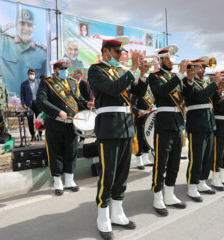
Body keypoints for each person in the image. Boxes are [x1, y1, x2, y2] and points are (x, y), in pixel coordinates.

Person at [88, 36, 149, 240]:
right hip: (109, 127)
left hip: (125, 126)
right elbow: (113, 89)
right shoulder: (95, 70)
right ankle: (102, 216)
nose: (120, 56)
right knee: (108, 174)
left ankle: (117, 211)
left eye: (122, 53)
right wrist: (132, 69)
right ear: (106, 52)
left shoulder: (122, 72)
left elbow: (138, 94)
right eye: (117, 52)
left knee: (122, 174)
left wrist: (142, 74)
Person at [36, 58, 93, 197]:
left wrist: (87, 104)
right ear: (55, 70)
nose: (65, 72)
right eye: (62, 69)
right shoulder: (47, 83)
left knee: (71, 152)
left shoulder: (73, 82)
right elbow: (41, 100)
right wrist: (58, 112)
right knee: (55, 153)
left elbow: (78, 99)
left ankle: (69, 180)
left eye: (66, 69)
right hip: (55, 124)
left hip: (71, 125)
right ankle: (57, 182)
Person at [148, 45, 188, 216]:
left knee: (174, 162)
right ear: (161, 60)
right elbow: (163, 91)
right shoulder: (154, 76)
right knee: (161, 163)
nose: (172, 61)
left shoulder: (175, 77)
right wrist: (180, 74)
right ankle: (158, 198)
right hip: (164, 123)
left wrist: (188, 77)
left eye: (173, 58)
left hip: (177, 123)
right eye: (169, 58)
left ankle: (170, 195)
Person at [182, 56, 222, 201]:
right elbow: (199, 97)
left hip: (209, 123)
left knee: (207, 156)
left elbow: (214, 103)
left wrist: (218, 89)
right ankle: (192, 186)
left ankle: (202, 182)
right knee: (196, 157)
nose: (204, 70)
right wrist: (215, 84)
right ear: (193, 68)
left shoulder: (205, 83)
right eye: (201, 67)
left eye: (205, 67)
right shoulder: (188, 82)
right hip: (196, 124)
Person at [0, 8, 46, 93]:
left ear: (34, 28)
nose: (26, 28)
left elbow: (45, 83)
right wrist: (6, 26)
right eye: (22, 24)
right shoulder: (3, 41)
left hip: (31, 102)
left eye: (29, 25)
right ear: (16, 25)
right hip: (7, 102)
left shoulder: (42, 53)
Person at [131, 87, 155, 170]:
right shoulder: (137, 93)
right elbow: (132, 106)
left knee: (148, 138)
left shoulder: (150, 93)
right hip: (140, 118)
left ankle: (145, 158)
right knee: (140, 139)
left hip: (149, 118)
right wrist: (138, 111)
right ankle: (139, 160)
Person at [20, 69, 42, 141]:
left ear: (35, 74)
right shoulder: (24, 84)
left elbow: (43, 92)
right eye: (30, 73)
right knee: (30, 120)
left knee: (39, 120)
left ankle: (40, 135)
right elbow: (22, 95)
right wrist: (23, 104)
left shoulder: (39, 82)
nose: (31, 75)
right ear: (28, 74)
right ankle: (32, 135)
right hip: (29, 104)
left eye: (33, 74)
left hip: (38, 103)